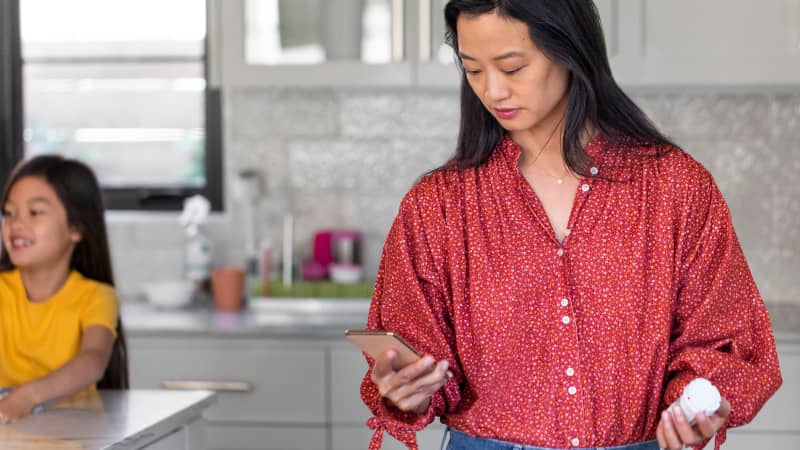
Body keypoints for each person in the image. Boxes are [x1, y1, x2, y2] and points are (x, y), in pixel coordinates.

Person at [359, 1, 782, 450]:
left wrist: (697, 405)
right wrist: (408, 387)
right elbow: (417, 355)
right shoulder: (438, 205)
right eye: (474, 70)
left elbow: (720, 339)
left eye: (512, 67)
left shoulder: (676, 188)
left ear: (570, 51)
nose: (493, 90)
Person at [0, 155, 128, 423]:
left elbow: (93, 360)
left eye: (34, 212)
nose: (16, 224)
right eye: (9, 213)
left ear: (76, 228)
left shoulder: (96, 297)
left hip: (76, 434)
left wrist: (28, 397)